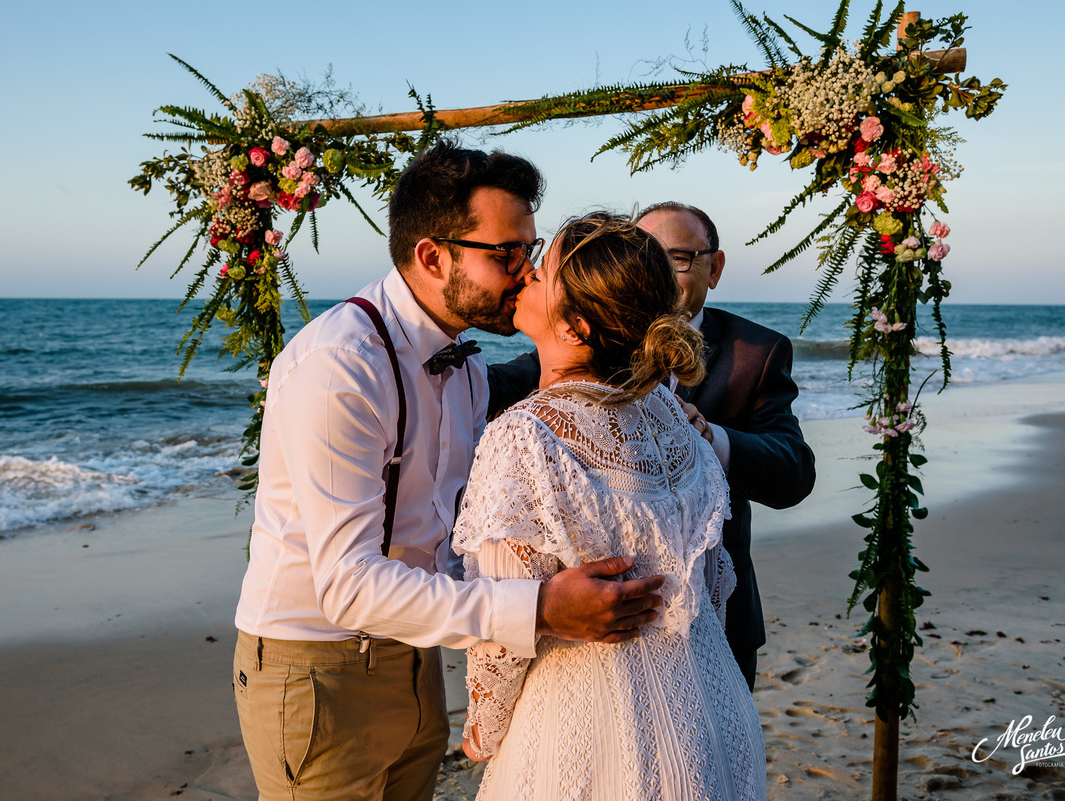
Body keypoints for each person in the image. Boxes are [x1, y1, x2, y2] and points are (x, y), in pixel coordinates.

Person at [232, 141, 665, 801]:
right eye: (506, 253)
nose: (526, 271)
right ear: (434, 256)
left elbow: (457, 529)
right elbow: (346, 588)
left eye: (531, 247)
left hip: (420, 651)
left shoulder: (464, 364)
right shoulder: (341, 366)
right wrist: (543, 606)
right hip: (316, 666)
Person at [455, 212, 766, 800]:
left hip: (590, 727)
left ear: (573, 327)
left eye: (541, 271)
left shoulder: (528, 434)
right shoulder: (677, 423)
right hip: (709, 715)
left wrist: (484, 731)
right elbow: (710, 591)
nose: (523, 276)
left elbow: (503, 623)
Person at [487, 201, 816, 690]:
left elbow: (794, 472)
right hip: (597, 630)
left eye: (678, 257)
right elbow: (483, 387)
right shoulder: (571, 348)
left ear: (715, 267)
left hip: (716, 620)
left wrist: (712, 440)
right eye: (642, 253)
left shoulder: (756, 353)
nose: (655, 269)